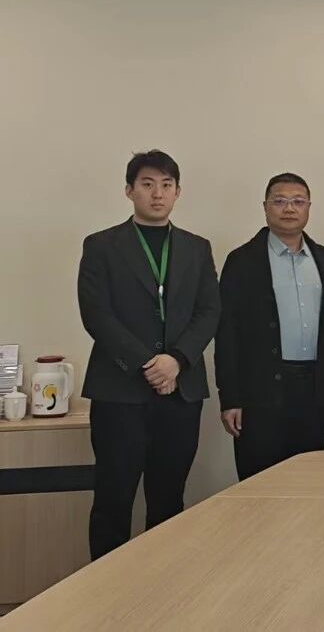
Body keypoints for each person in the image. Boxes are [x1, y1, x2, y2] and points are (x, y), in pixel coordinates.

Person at [77, 149, 221, 559]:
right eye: (147, 184)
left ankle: (163, 585)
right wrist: (147, 362)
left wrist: (176, 360)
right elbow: (96, 314)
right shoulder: (102, 245)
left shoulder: (197, 248)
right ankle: (105, 587)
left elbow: (210, 311)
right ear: (129, 191)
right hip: (119, 391)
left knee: (169, 498)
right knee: (113, 498)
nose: (158, 194)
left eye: (166, 185)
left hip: (181, 391)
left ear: (177, 192)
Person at [215, 173, 324, 480]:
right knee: (259, 482)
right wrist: (230, 398)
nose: (289, 208)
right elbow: (227, 334)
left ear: (309, 207)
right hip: (259, 391)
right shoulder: (242, 260)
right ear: (265, 207)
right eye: (280, 201)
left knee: (306, 481)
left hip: (313, 390)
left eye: (298, 201)